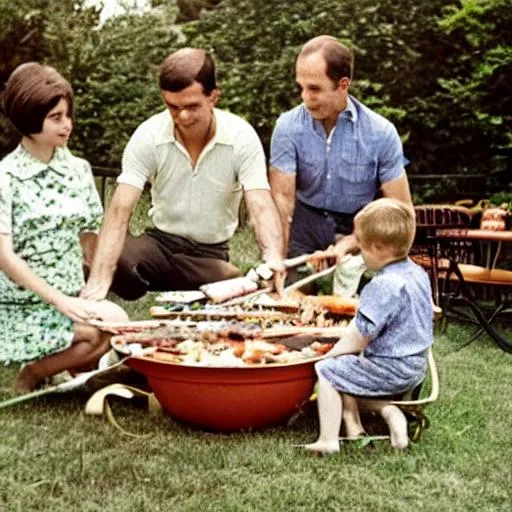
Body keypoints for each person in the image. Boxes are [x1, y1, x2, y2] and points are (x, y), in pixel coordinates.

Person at [81, 48, 284, 302]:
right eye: (173, 107)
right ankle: (115, 281)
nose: (183, 117)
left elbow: (261, 206)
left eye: (192, 106)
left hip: (208, 255)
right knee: (106, 252)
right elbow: (120, 210)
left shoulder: (241, 137)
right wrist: (100, 277)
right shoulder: (149, 135)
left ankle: (217, 283)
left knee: (236, 289)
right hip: (158, 245)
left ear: (213, 97)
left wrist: (273, 256)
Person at [0, 63, 128, 394]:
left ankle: (69, 363)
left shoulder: (79, 170)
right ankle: (32, 374)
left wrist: (95, 289)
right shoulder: (6, 177)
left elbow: (89, 238)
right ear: (29, 118)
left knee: (117, 322)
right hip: (24, 304)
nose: (67, 124)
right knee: (90, 334)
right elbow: (5, 258)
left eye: (68, 115)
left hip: (70, 296)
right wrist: (61, 303)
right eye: (56, 117)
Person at [269, 35, 413, 295]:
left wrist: (353, 241)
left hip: (358, 223)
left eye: (314, 89)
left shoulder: (381, 132)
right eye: (300, 87)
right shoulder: (287, 126)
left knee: (361, 306)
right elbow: (282, 199)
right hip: (305, 221)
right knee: (290, 298)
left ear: (343, 85)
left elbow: (403, 212)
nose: (305, 97)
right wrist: (277, 257)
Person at [301, 198, 433, 453]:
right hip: (416, 367)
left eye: (362, 247)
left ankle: (328, 440)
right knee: (351, 373)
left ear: (380, 248)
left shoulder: (382, 285)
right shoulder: (417, 273)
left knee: (330, 370)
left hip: (391, 368)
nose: (359, 252)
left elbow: (360, 335)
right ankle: (390, 412)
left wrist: (333, 353)